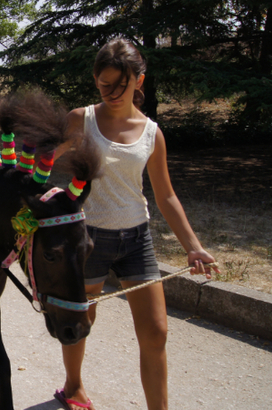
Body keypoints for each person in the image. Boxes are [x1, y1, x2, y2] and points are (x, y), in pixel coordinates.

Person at [54, 39, 219, 410]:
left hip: (136, 239)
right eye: (104, 85)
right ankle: (73, 386)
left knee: (156, 332)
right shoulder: (82, 119)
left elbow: (166, 195)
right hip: (88, 237)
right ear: (95, 79)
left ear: (139, 81)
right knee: (81, 322)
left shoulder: (151, 133)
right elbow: (43, 160)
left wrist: (193, 246)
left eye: (121, 85)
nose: (112, 93)